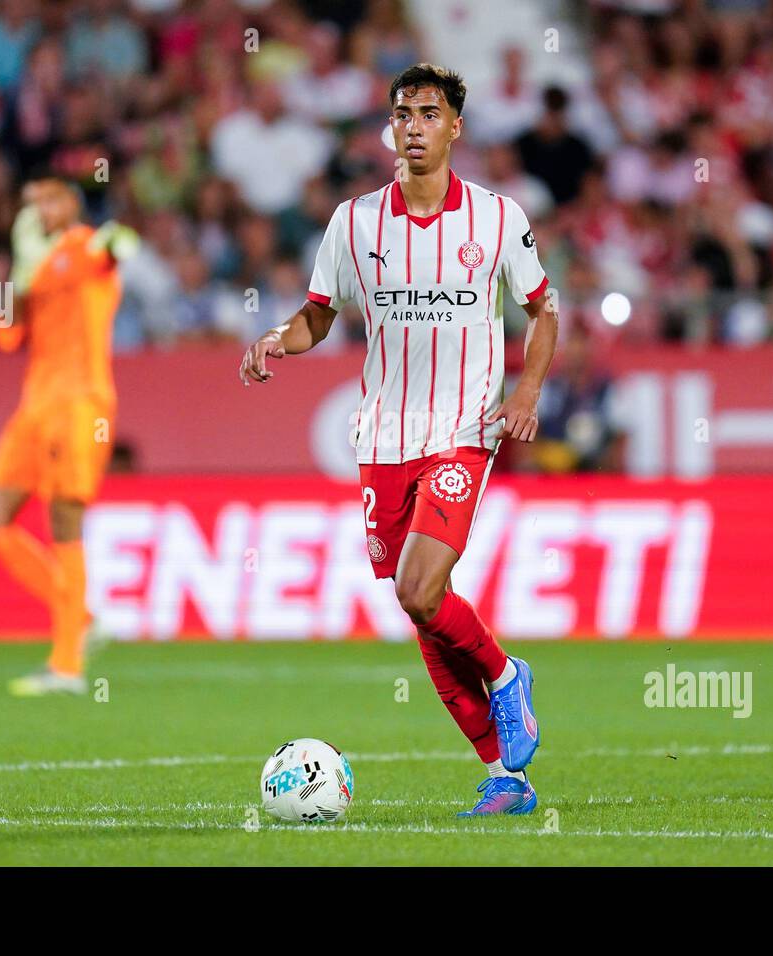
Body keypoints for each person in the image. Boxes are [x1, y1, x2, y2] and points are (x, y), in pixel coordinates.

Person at [238, 64, 559, 816]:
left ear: (455, 128)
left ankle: (509, 677)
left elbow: (543, 310)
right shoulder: (353, 223)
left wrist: (527, 391)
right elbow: (319, 313)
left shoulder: (497, 218)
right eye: (402, 113)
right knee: (422, 609)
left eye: (428, 113)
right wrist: (279, 339)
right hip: (383, 435)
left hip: (464, 428)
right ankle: (504, 775)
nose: (413, 125)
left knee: (420, 587)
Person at [0, 173, 138, 696]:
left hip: (79, 402)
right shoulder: (31, 263)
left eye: (48, 197)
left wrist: (114, 239)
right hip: (34, 405)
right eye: (30, 200)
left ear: (70, 201)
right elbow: (5, 337)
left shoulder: (83, 247)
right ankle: (83, 617)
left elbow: (117, 246)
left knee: (64, 519)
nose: (39, 208)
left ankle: (67, 666)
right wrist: (20, 274)